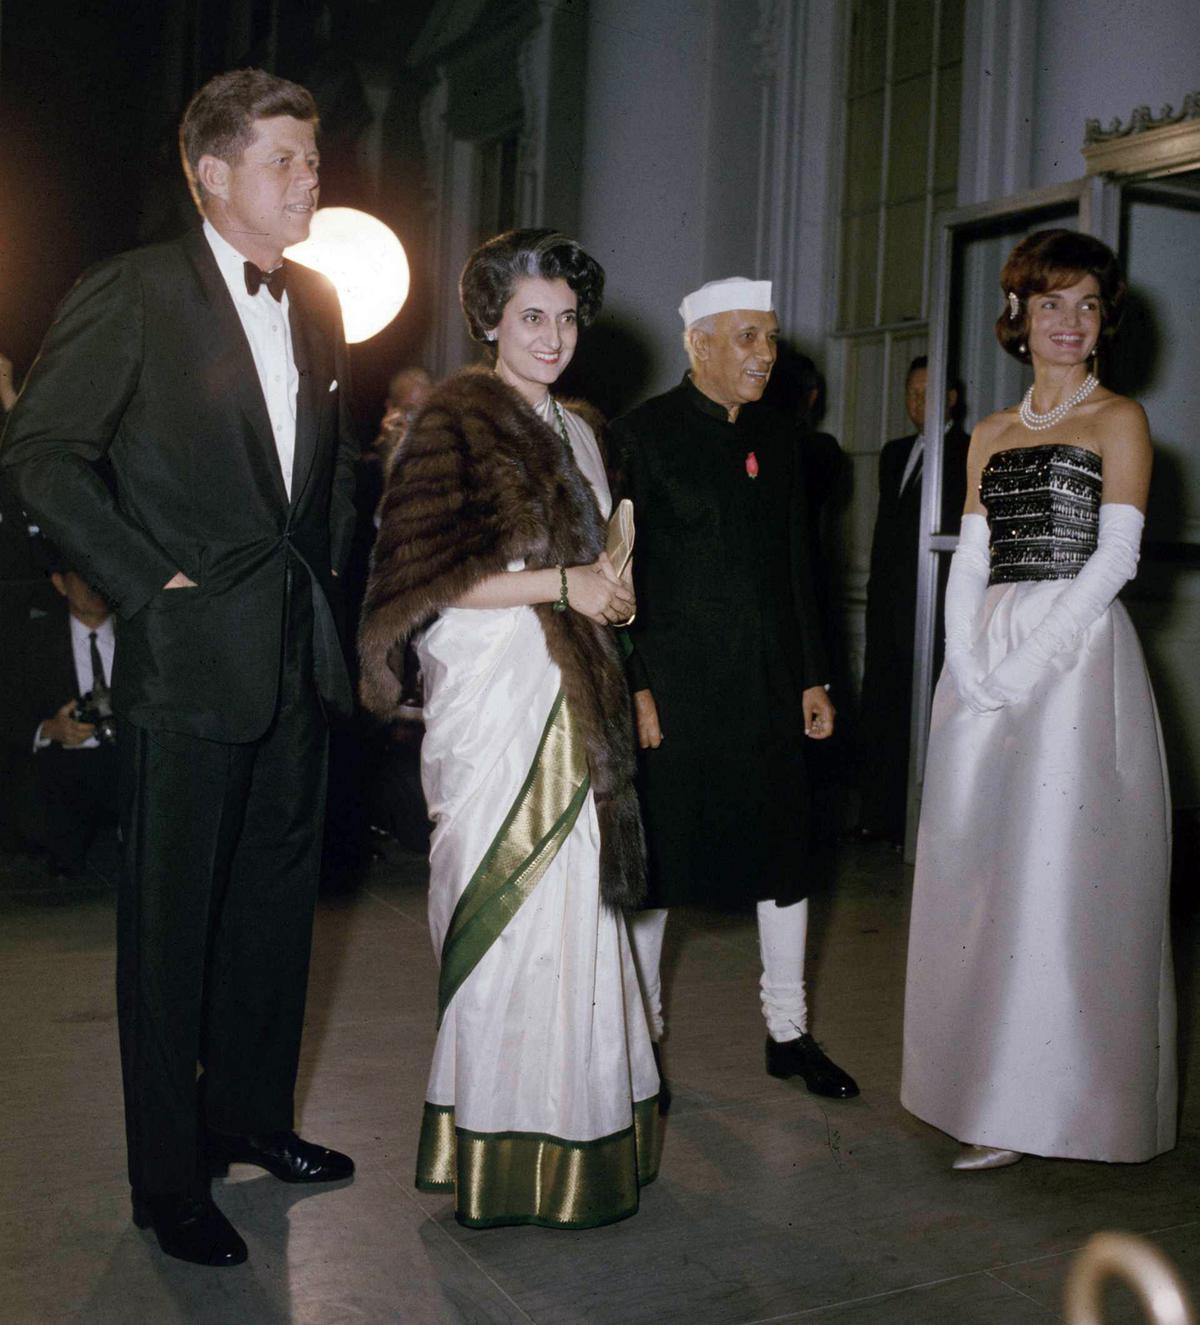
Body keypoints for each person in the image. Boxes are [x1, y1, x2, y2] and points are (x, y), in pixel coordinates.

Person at [0, 68, 358, 1265]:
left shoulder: (316, 303)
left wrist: (337, 609)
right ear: (210, 171)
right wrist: (149, 580)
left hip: (294, 662)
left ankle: (253, 1119)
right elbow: (43, 456)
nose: (312, 179)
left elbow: (327, 478)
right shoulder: (133, 291)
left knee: (272, 916)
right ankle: (167, 1178)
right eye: (285, 162)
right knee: (169, 939)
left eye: (315, 159)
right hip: (188, 663)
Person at [359, 228, 659, 1229]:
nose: (554, 336)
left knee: (580, 913)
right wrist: (563, 584)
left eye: (569, 317)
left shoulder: (581, 429)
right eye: (533, 315)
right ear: (489, 317)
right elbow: (427, 577)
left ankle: (579, 1129)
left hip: (581, 691)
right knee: (505, 915)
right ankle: (495, 1139)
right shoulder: (451, 421)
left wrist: (609, 593)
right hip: (494, 693)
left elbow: (601, 568)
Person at [901, 229, 1175, 1170]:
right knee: (979, 874)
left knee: (1055, 886)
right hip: (986, 659)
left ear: (1104, 324)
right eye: (1051, 303)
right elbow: (971, 559)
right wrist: (969, 663)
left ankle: (1047, 1104)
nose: (1069, 322)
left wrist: (1025, 670)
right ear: (1018, 317)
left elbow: (1118, 560)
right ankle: (980, 1085)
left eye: (1087, 305)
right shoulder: (989, 431)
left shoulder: (1120, 420)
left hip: (1076, 661)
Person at [611, 277, 859, 1102]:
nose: (765, 354)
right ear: (701, 345)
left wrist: (813, 674)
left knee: (783, 853)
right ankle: (642, 1042)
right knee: (661, 869)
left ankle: (787, 1030)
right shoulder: (639, 436)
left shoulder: (785, 438)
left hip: (768, 684)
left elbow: (800, 565)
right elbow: (618, 578)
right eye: (747, 337)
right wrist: (635, 685)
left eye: (770, 337)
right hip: (676, 693)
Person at [858, 356, 969, 846]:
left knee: (931, 716)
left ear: (951, 400)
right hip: (889, 608)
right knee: (884, 713)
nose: (918, 402)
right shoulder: (894, 452)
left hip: (937, 608)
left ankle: (927, 825)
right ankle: (879, 818)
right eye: (912, 392)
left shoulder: (969, 452)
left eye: (930, 393)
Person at [0, 560, 119, 876]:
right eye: (84, 576)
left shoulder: (143, 635)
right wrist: (50, 728)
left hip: (129, 760)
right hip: (63, 766)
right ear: (60, 583)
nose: (96, 585)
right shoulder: (29, 641)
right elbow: (8, 710)